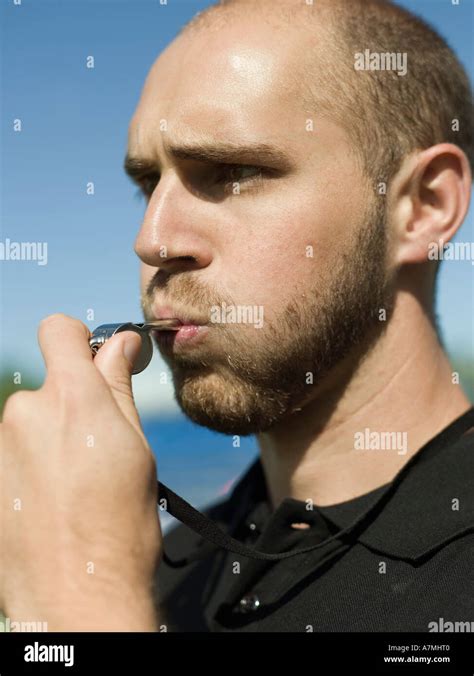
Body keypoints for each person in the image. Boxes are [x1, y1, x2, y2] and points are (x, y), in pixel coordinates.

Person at [1, 0, 472, 632]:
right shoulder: (168, 572)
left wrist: (81, 604)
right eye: (148, 183)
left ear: (422, 206)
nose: (153, 240)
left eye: (231, 173)